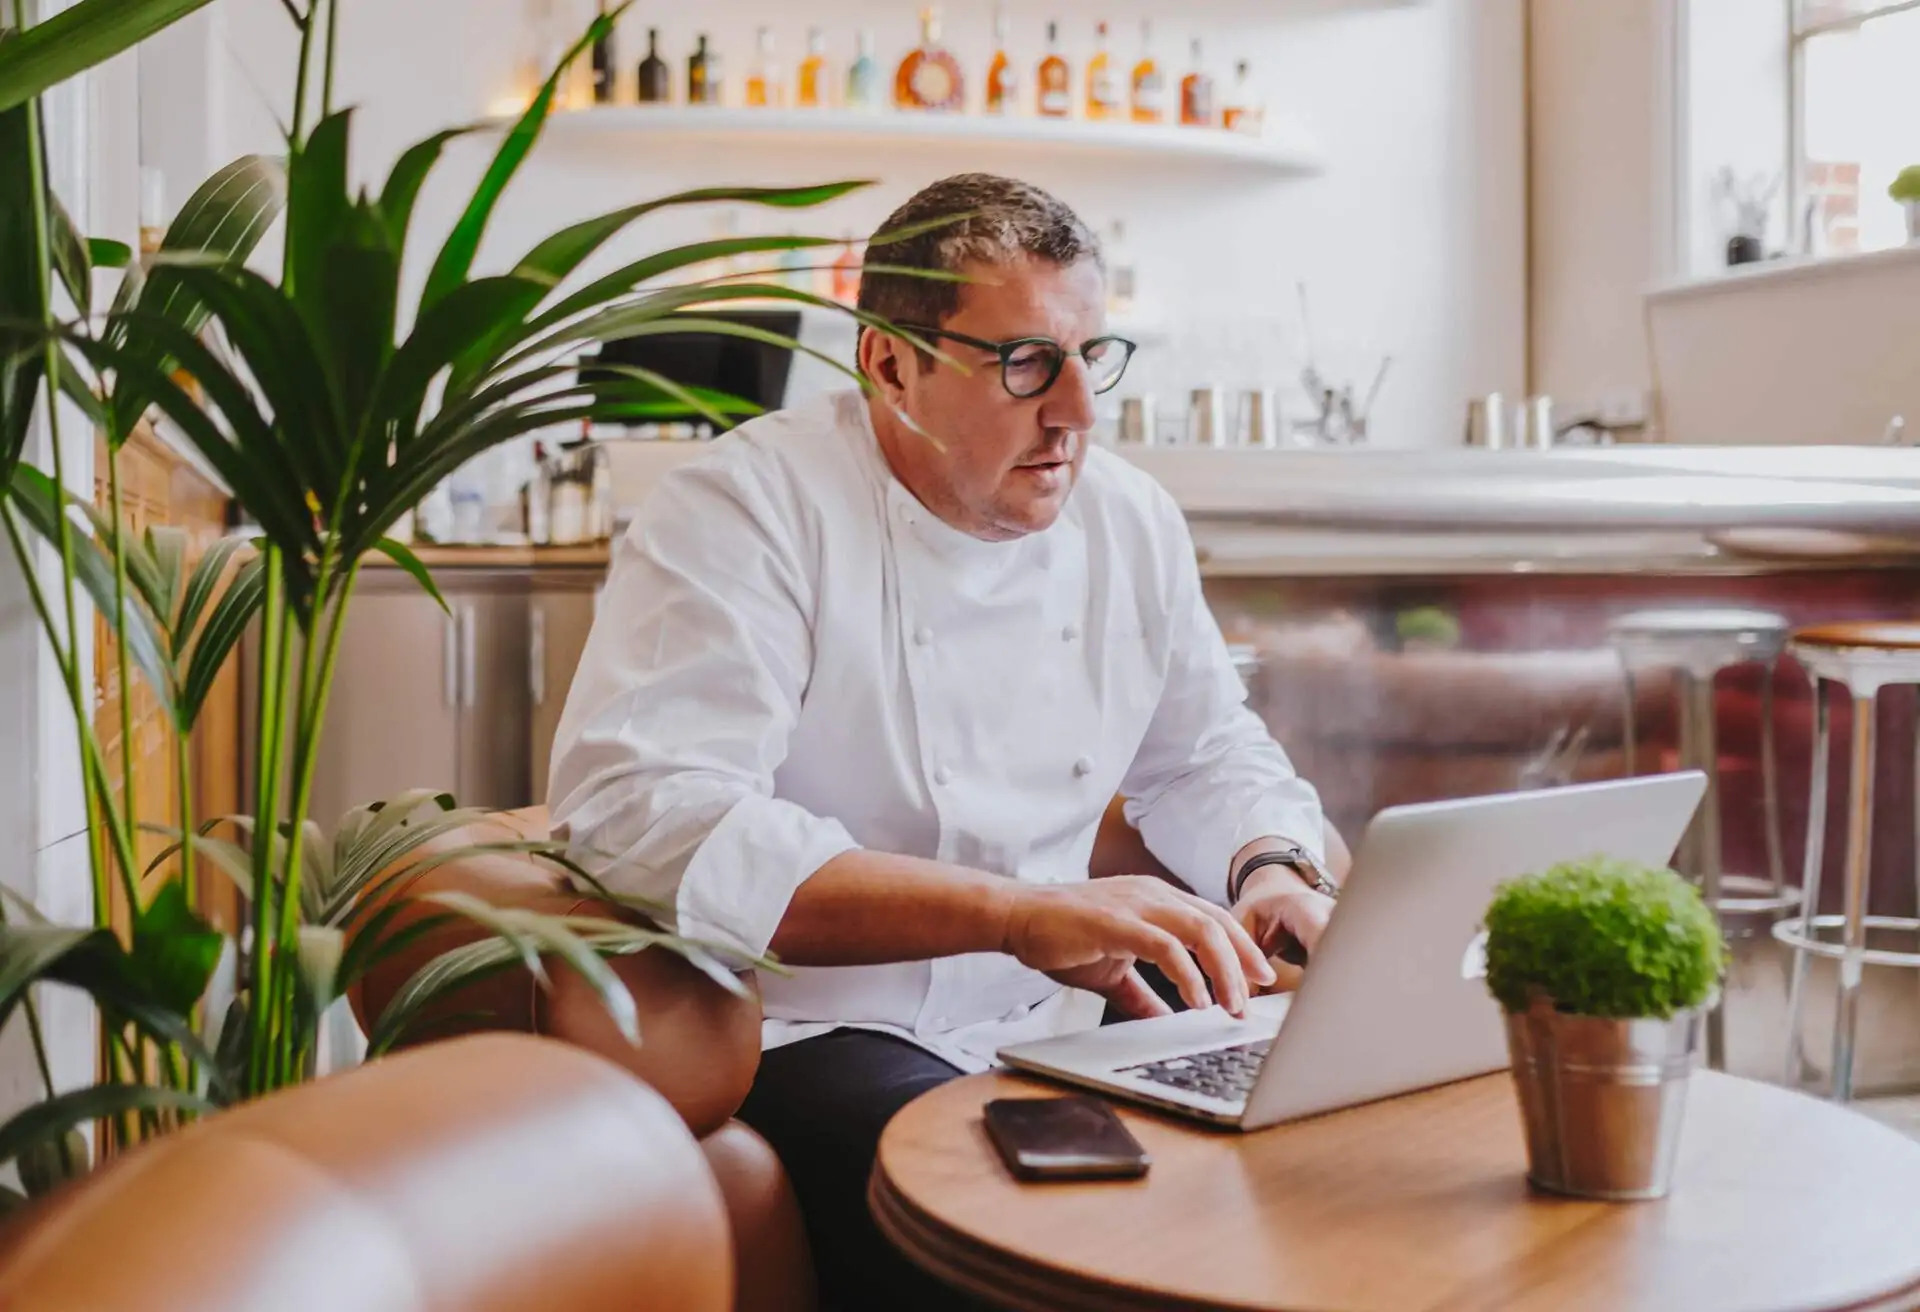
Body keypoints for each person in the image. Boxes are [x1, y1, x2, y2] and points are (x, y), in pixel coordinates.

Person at [548, 173, 1342, 1310]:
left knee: (1312, 1180)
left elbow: (1207, 751)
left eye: (1091, 356)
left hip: (1066, 1014)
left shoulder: (1130, 519)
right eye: (1023, 363)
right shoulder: (745, 509)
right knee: (1048, 1266)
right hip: (822, 1027)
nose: (1074, 411)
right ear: (887, 361)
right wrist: (1015, 913)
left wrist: (1274, 867)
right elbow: (651, 809)